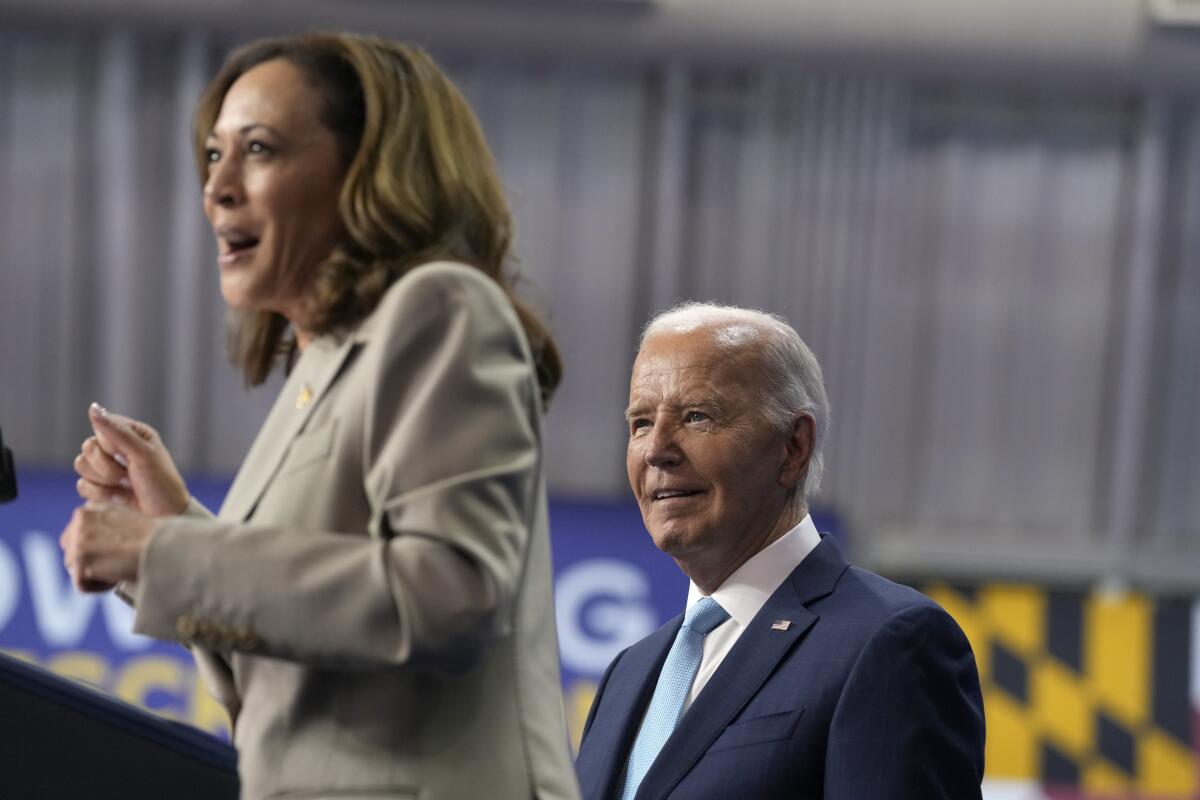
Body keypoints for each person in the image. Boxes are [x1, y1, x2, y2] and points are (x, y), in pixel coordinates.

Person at [60, 32, 580, 800]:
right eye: (212, 156)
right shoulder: (319, 369)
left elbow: (450, 594)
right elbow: (289, 664)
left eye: (259, 149)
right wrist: (173, 524)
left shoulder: (441, 309)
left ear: (368, 174)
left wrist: (165, 554)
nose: (218, 188)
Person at [574, 303, 985, 800]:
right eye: (640, 422)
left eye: (696, 416)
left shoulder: (892, 643)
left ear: (793, 447)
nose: (657, 448)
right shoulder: (628, 673)